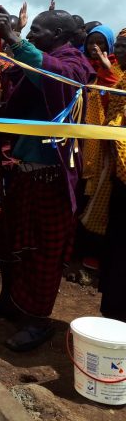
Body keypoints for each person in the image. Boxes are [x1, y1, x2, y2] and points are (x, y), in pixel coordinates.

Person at [0, 7, 94, 352]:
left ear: (58, 34)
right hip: (24, 174)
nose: (31, 36)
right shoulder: (39, 61)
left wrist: (15, 40)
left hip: (53, 179)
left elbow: (58, 78)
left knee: (44, 251)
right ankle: (9, 300)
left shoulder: (75, 64)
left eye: (37, 32)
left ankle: (38, 320)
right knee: (9, 239)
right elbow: (20, 88)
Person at [78, 25, 120, 266]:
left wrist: (107, 70)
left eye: (101, 43)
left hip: (104, 144)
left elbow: (116, 98)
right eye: (91, 42)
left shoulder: (115, 69)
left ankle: (92, 255)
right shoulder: (83, 67)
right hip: (80, 138)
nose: (95, 47)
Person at [99, 29, 126, 321]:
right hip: (119, 175)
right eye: (118, 45)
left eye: (124, 46)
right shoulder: (122, 80)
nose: (119, 50)